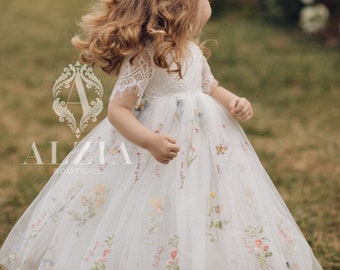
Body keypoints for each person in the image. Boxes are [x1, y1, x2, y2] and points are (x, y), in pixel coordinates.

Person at [0, 0, 323, 269]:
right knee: (155, 200)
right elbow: (118, 110)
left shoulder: (192, 50)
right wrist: (148, 141)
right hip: (157, 141)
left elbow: (209, 86)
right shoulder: (146, 54)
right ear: (178, 9)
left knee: (200, 196)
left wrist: (233, 101)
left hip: (202, 141)